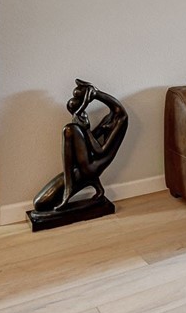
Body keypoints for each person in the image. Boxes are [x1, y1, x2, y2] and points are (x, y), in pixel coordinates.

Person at [32, 79, 128, 213]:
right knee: (39, 203)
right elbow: (91, 141)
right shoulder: (109, 118)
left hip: (92, 167)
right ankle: (86, 183)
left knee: (69, 129)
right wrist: (82, 130)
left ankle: (69, 188)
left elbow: (100, 151)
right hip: (85, 164)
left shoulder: (121, 120)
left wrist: (85, 129)